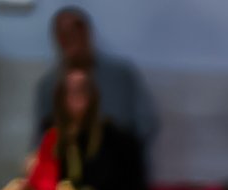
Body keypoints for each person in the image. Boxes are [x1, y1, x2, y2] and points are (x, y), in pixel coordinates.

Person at [37, 63, 148, 190]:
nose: (76, 98)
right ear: (60, 96)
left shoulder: (113, 138)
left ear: (92, 96)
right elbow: (45, 180)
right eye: (69, 91)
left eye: (82, 91)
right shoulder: (52, 134)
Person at [33, 6, 158, 147]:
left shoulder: (121, 76)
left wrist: (120, 146)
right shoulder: (49, 86)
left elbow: (147, 123)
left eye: (77, 31)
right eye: (64, 34)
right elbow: (40, 138)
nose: (72, 39)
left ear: (87, 33)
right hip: (70, 162)